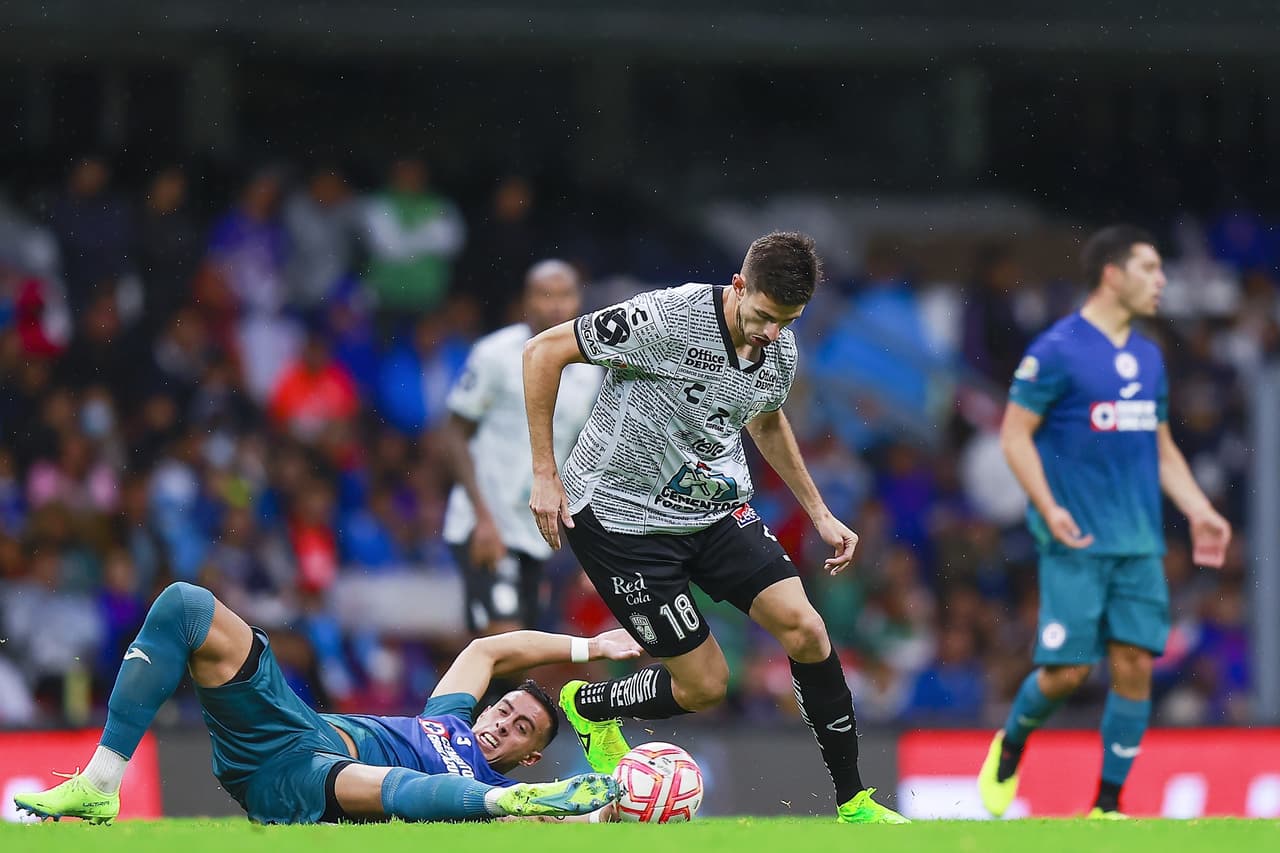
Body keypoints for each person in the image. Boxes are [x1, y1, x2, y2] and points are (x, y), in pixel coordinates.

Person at [522, 231, 908, 824]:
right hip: (620, 520)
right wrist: (545, 474)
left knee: (806, 628)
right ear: (737, 287)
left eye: (788, 321)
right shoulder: (664, 318)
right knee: (705, 687)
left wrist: (819, 512)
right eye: (763, 316)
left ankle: (855, 802)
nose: (771, 333)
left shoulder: (778, 345)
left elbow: (766, 417)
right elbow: (543, 352)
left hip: (711, 507)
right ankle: (588, 703)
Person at [977, 225, 1232, 819]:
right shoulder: (1056, 350)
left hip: (1139, 542)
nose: (1161, 281)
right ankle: (1011, 744)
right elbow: (1014, 435)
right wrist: (1049, 506)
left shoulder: (1148, 355)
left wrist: (1200, 510)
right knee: (1066, 673)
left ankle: (1108, 805)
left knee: (1136, 663)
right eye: (1150, 269)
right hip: (1076, 539)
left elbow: (1161, 444)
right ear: (1112, 275)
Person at [14, 581, 633, 825]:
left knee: (384, 782)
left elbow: (581, 815)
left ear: (529, 759)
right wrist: (589, 646)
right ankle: (101, 781)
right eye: (505, 711)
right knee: (186, 606)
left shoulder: (485, 792)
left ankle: (497, 801)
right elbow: (488, 650)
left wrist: (613, 806)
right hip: (289, 728)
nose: (505, 723)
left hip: (309, 779)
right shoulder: (447, 719)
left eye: (524, 729)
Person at [442, 260, 601, 639]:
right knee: (505, 638)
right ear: (527, 301)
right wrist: (482, 518)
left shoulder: (588, 370)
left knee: (516, 647)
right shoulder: (495, 354)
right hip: (486, 521)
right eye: (546, 295)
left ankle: (471, 700)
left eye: (565, 295)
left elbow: (585, 461)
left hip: (537, 530)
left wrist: (592, 552)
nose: (557, 305)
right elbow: (453, 434)